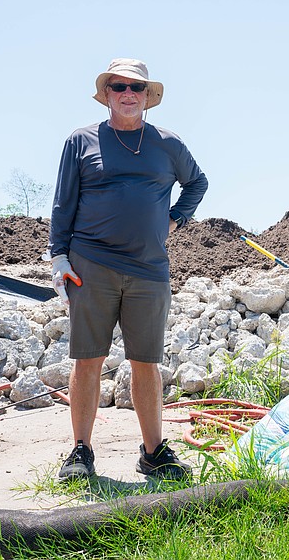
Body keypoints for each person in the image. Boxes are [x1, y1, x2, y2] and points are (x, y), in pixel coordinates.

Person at [50, 58, 208, 482]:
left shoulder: (168, 144)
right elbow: (64, 202)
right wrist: (58, 257)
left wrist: (175, 219)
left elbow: (198, 182)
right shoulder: (80, 142)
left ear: (147, 96)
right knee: (88, 360)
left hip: (149, 269)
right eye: (118, 86)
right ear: (106, 94)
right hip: (91, 264)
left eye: (135, 87)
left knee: (146, 362)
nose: (127, 94)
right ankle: (81, 451)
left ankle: (153, 452)